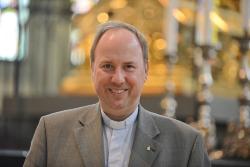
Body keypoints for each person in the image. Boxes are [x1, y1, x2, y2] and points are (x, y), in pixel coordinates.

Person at [23, 21, 211, 167]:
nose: (118, 78)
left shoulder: (187, 144)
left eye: (129, 66)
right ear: (92, 70)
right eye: (107, 66)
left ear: (146, 70)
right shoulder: (52, 132)